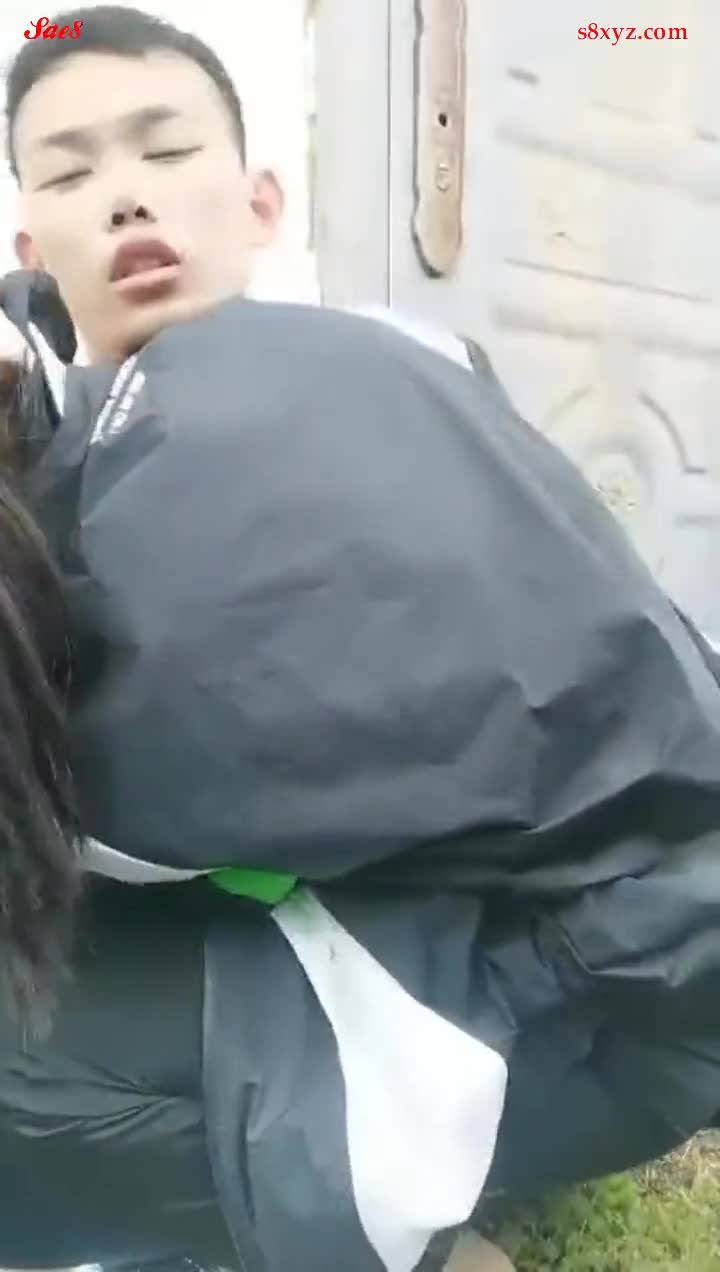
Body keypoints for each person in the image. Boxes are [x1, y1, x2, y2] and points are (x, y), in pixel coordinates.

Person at [2, 8, 720, 1272]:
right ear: (35, 249)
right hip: (628, 953)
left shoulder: (239, 442)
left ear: (260, 204)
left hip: (607, 1002)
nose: (124, 197)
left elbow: (79, 823)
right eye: (70, 175)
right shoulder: (389, 354)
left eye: (165, 151)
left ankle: (400, 1222)